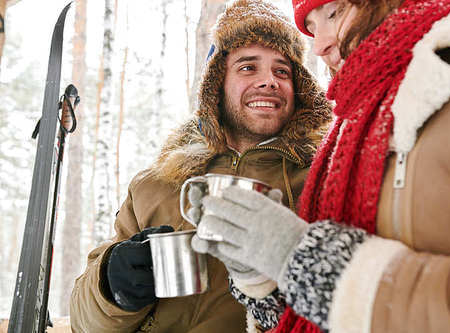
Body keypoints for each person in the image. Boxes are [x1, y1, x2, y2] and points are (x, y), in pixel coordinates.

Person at [191, 0, 450, 332]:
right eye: (311, 28)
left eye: (333, 13)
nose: (320, 44)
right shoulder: (350, 127)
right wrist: (264, 281)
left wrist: (320, 268)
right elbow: (321, 312)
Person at [69, 0, 331, 332]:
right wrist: (110, 285)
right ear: (216, 85)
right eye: (248, 67)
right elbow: (83, 322)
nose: (269, 81)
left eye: (282, 71)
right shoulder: (157, 184)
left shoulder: (320, 181)